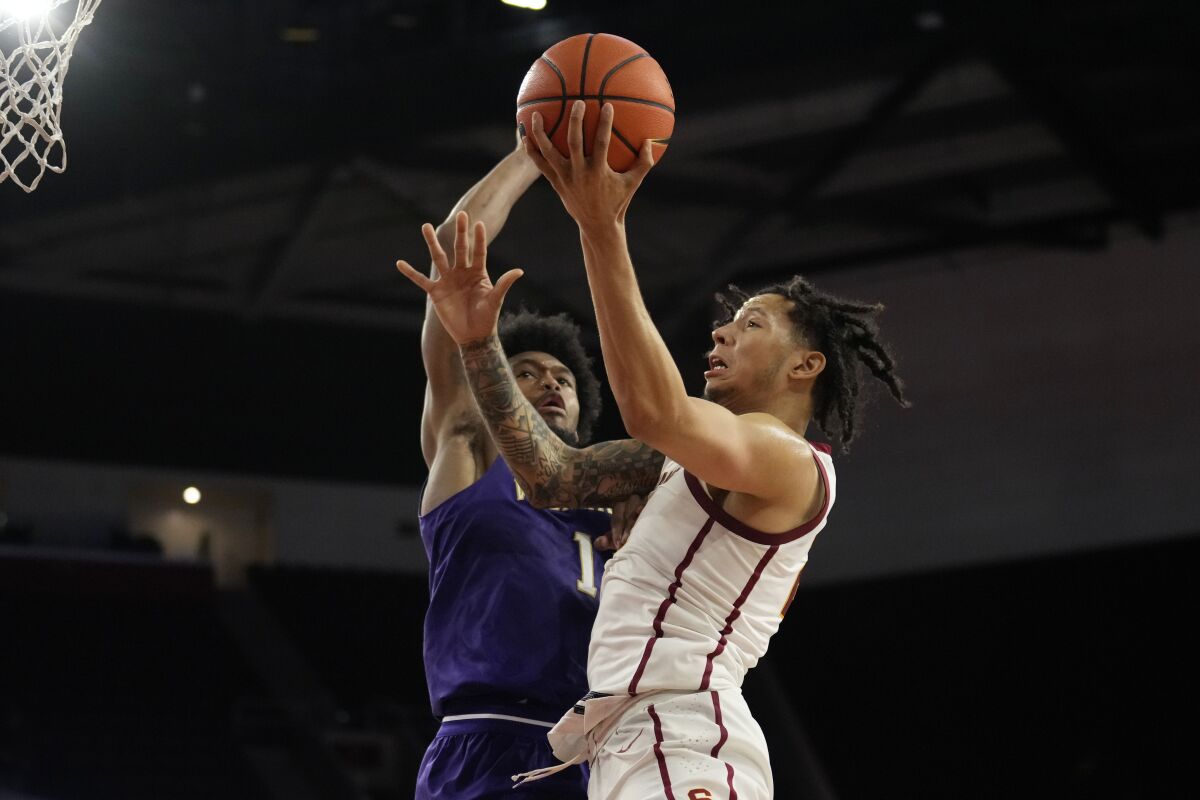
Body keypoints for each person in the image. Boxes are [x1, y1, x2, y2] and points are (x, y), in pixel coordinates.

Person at [398, 99, 908, 798]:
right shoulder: (676, 465)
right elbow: (555, 478)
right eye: (727, 322)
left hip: (675, 726)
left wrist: (601, 225)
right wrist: (478, 339)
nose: (721, 334)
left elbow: (653, 409)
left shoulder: (786, 459)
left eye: (750, 323)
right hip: (602, 736)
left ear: (805, 366)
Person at [401, 139, 649, 800]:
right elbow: (456, 247)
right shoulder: (469, 444)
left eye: (564, 377)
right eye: (528, 373)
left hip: (611, 754)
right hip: (490, 741)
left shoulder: (621, 499)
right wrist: (530, 154)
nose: (551, 384)